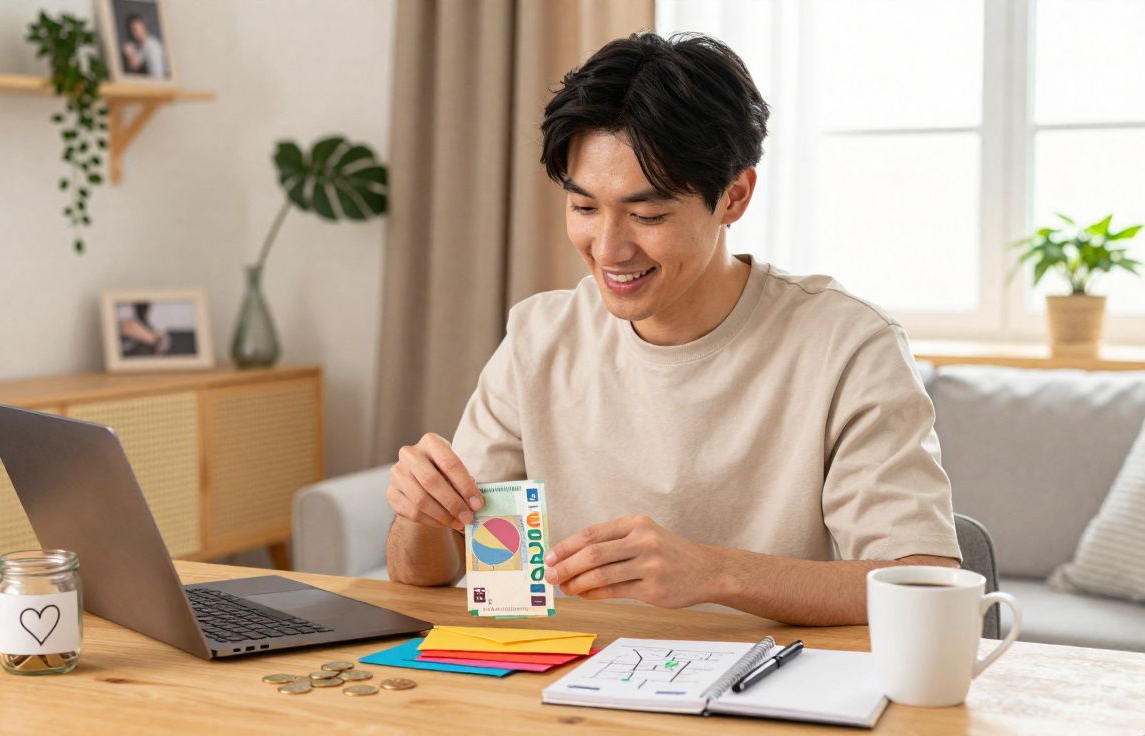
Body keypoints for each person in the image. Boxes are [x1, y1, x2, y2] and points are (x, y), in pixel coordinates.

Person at [383, 32, 961, 626]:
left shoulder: (846, 345)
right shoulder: (539, 336)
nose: (608, 248)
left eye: (647, 215)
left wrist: (713, 572)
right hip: (564, 689)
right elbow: (425, 572)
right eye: (583, 208)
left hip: (759, 690)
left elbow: (927, 582)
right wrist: (419, 513)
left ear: (734, 196)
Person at [121, 13, 168, 79]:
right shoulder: (143, 45)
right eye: (134, 30)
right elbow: (134, 65)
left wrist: (130, 54)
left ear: (144, 27)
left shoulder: (152, 46)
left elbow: (158, 75)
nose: (138, 32)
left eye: (139, 28)